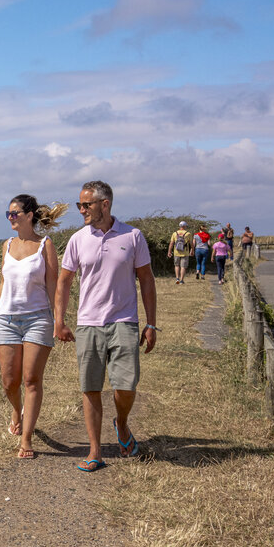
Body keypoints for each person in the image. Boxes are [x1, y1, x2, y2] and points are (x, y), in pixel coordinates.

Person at [54, 181, 157, 472]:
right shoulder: (77, 239)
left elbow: (147, 280)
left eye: (86, 205)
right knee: (91, 388)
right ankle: (95, 450)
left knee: (126, 385)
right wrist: (59, 321)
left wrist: (151, 323)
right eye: (80, 205)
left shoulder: (133, 236)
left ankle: (121, 423)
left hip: (124, 321)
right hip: (88, 324)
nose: (81, 210)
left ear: (105, 204)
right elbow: (64, 282)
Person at [0, 194, 67, 459]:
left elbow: (54, 285)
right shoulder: (7, 245)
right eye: (8, 214)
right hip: (7, 319)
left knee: (31, 380)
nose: (10, 218)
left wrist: (59, 319)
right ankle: (15, 408)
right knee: (9, 382)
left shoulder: (46, 245)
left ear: (29, 215)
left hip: (37, 319)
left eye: (14, 213)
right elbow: (2, 282)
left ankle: (27, 439)